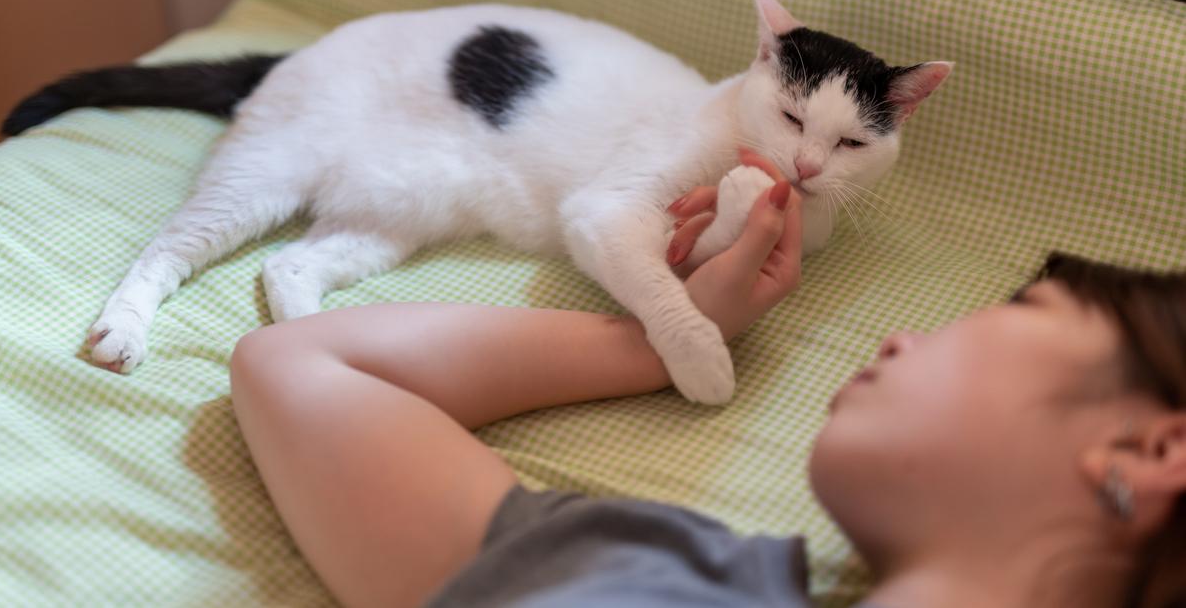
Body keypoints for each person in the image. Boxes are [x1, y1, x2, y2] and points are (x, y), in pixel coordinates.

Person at [229, 152, 1185, 607]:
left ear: (1157, 451)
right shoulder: (642, 564)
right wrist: (667, 336)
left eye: (1016, 315)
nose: (901, 337)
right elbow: (304, 359)